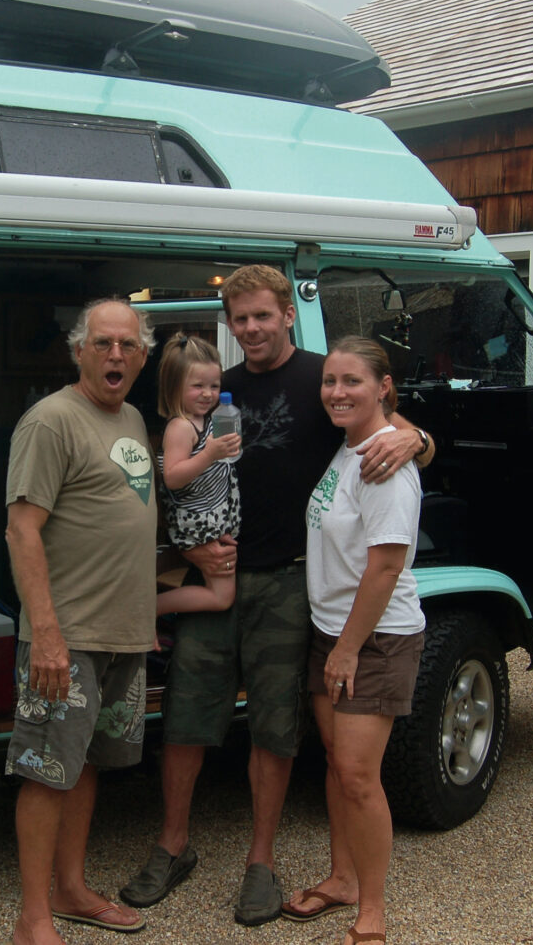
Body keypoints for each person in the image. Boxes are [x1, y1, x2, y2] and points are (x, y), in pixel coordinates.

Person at [121, 265, 434, 925]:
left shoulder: (328, 380)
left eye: (263, 315)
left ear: (288, 314)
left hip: (292, 583)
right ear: (228, 325)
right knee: (186, 717)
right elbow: (177, 487)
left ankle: (260, 863)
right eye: (240, 319)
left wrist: (419, 438)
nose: (252, 328)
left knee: (274, 728)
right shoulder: (216, 389)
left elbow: (387, 432)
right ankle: (172, 846)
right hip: (216, 579)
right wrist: (185, 554)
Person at [5, 298, 159, 945]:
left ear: (144, 355)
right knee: (47, 770)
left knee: (87, 765)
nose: (116, 354)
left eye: (127, 344)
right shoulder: (50, 421)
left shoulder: (131, 418)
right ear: (78, 351)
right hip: (65, 639)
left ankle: (71, 889)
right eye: (103, 343)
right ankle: (33, 919)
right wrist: (45, 633)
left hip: (122, 634)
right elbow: (22, 528)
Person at [280, 336, 425, 945]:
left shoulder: (386, 465)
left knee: (361, 777)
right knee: (339, 768)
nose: (337, 392)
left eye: (352, 382)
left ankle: (373, 908)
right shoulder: (350, 448)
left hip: (375, 638)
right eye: (330, 382)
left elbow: (386, 568)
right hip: (331, 630)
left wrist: (346, 649)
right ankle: (341, 878)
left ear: (384, 386)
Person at [155, 333, 242, 616]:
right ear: (174, 387)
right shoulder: (181, 426)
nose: (208, 393)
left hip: (211, 523)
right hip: (196, 526)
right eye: (198, 386)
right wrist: (209, 454)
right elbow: (173, 476)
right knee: (221, 597)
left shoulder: (205, 420)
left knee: (221, 594)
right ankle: (148, 611)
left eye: (214, 385)